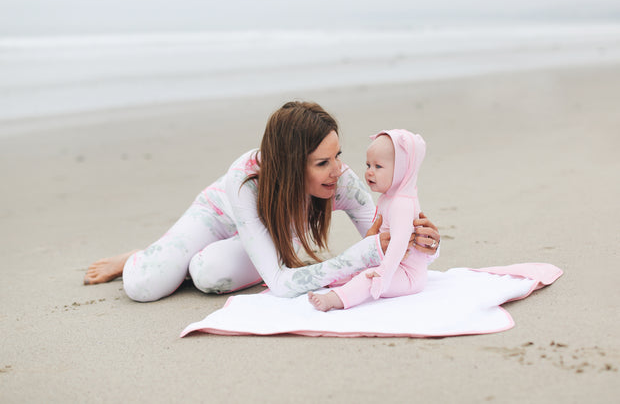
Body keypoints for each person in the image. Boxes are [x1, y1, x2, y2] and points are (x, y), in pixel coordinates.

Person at [84, 102, 441, 301]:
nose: (337, 171)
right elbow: (283, 283)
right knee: (144, 286)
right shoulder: (244, 179)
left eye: (337, 156)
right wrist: (363, 254)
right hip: (218, 217)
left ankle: (182, 262)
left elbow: (390, 238)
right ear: (289, 165)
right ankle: (141, 256)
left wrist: (423, 244)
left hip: (273, 232)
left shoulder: (341, 181)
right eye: (321, 163)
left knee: (209, 274)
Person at [308, 129, 435, 311]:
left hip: (408, 275)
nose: (369, 172)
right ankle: (334, 283)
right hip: (392, 266)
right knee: (354, 271)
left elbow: (400, 243)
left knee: (368, 278)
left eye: (378, 167)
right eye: (368, 165)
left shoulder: (402, 203)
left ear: (401, 170)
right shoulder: (387, 198)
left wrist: (384, 273)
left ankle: (334, 300)